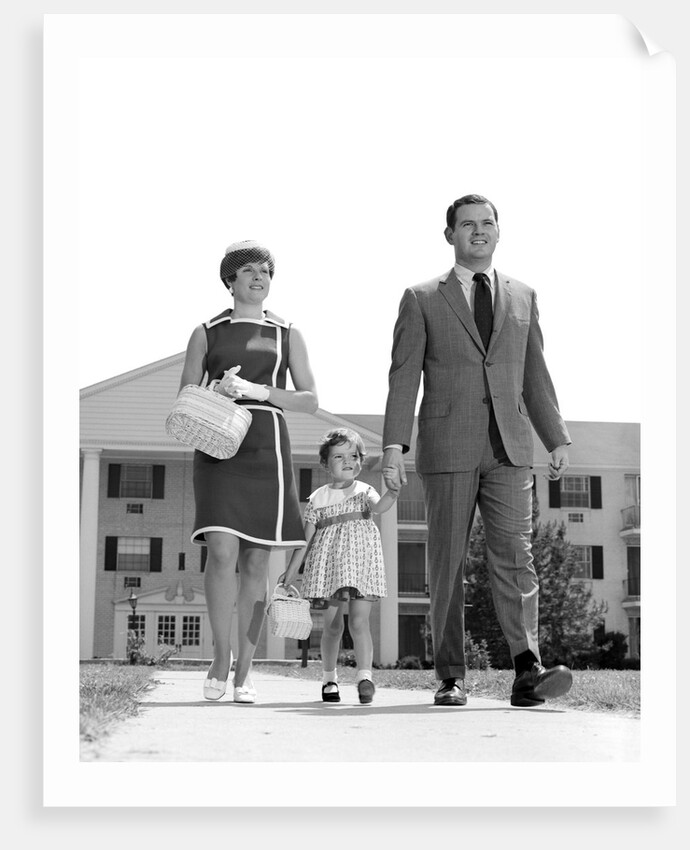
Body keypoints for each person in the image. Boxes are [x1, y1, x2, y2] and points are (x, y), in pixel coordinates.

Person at [382, 194, 573, 708]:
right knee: (446, 564)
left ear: (498, 232)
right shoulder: (421, 297)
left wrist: (555, 437)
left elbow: (535, 374)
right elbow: (403, 379)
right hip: (447, 447)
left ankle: (527, 670)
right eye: (468, 224)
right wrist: (394, 447)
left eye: (488, 223)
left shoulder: (524, 295)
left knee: (517, 557)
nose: (479, 231)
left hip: (510, 448)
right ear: (450, 235)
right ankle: (451, 675)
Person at [178, 240, 318, 704]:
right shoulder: (206, 331)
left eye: (266, 271)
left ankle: (244, 670)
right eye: (249, 271)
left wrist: (259, 390)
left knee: (257, 561)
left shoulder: (287, 334)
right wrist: (219, 389)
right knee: (221, 551)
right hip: (219, 443)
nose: (259, 277)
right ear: (230, 280)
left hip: (266, 448)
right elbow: (185, 391)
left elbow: (309, 400)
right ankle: (220, 656)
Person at [280, 428, 399, 704]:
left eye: (354, 455)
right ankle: (329, 679)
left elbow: (380, 508)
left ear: (361, 460)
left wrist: (393, 490)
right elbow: (305, 540)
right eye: (339, 456)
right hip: (329, 568)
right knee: (333, 627)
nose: (348, 461)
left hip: (361, 565)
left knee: (359, 622)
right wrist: (289, 575)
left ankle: (365, 677)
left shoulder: (365, 490)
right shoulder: (318, 498)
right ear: (325, 463)